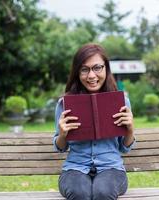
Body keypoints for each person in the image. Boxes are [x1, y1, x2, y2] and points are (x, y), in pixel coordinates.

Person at [53, 43, 135, 200]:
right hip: (75, 168)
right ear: (77, 72)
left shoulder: (121, 101)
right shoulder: (64, 104)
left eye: (97, 68)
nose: (91, 76)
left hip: (111, 168)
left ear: (106, 68)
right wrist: (62, 134)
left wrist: (130, 129)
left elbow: (124, 148)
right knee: (80, 192)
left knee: (102, 191)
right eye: (84, 69)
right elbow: (60, 148)